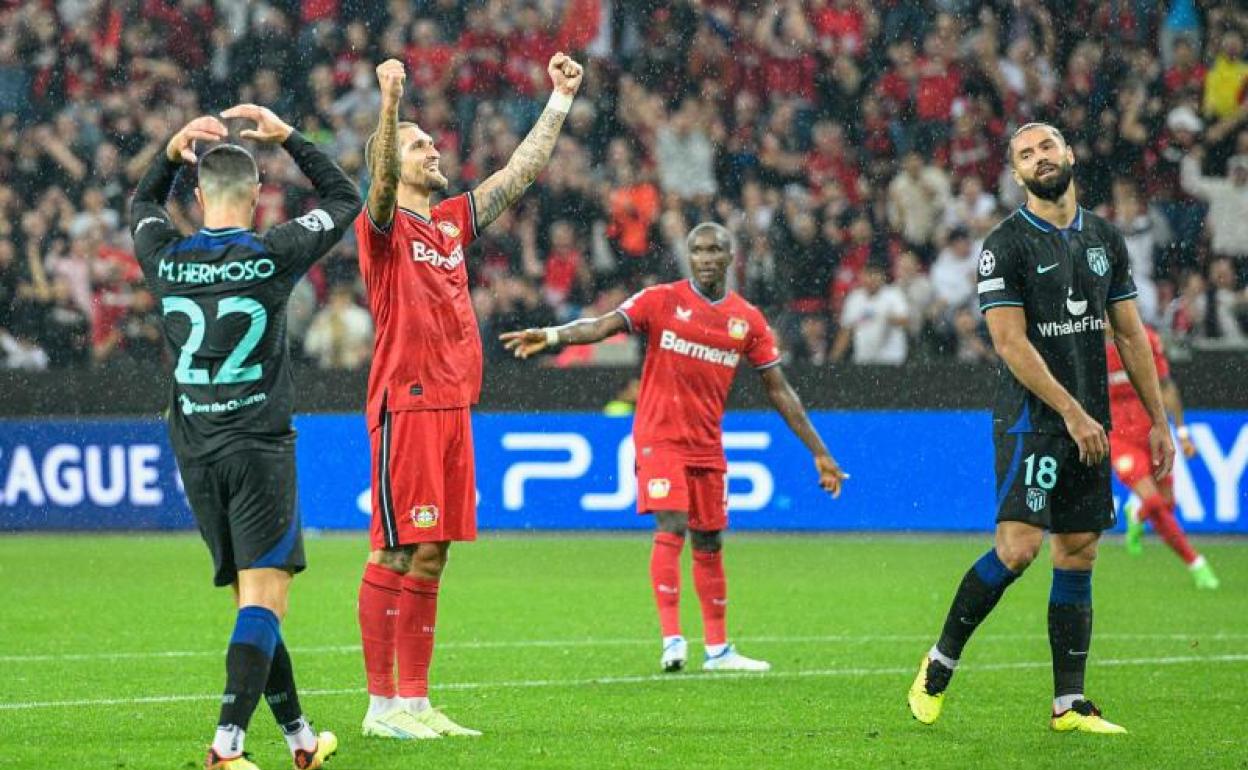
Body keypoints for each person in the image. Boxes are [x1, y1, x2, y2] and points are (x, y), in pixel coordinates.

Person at [907, 123, 1175, 734]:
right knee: (1019, 549)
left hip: (1092, 424)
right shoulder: (1004, 245)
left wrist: (1157, 420)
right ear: (1016, 173)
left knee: (1078, 552)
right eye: (1025, 154)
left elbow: (1130, 334)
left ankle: (1069, 705)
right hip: (1035, 422)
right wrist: (1073, 412)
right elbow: (1009, 342)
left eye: (1046, 147)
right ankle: (940, 662)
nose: (1038, 158)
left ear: (1069, 154)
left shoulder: (1105, 237)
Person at [354, 54, 583, 740]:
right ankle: (379, 706)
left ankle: (417, 701)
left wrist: (560, 100)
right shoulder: (384, 225)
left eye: (429, 140)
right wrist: (391, 106)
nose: (434, 148)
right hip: (409, 401)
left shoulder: (450, 222)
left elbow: (519, 176)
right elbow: (383, 181)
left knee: (434, 552)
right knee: (394, 550)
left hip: (455, 405)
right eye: (420, 143)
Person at [502, 222, 848, 673]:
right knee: (673, 522)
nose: (705, 258)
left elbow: (779, 390)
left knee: (709, 538)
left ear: (729, 257)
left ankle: (719, 649)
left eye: (714, 250)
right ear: (689, 256)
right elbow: (602, 325)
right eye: (697, 250)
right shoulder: (660, 300)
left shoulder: (747, 321)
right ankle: (672, 640)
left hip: (706, 443)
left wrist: (818, 451)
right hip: (658, 436)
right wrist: (551, 336)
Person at [130, 106, 362, 769]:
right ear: (257, 196)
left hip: (195, 448)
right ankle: (226, 746)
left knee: (249, 598)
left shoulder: (164, 255)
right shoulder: (274, 252)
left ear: (199, 198)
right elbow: (345, 196)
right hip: (258, 445)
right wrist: (289, 136)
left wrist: (170, 153)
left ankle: (300, 741)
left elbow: (142, 202)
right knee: (267, 599)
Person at [1106, 323, 1218, 588]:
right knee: (1155, 503)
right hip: (1119, 437)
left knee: (1167, 506)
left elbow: (1167, 387)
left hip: (1151, 431)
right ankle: (1196, 563)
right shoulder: (1089, 347)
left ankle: (1136, 513)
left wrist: (1182, 433)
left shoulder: (1145, 339)